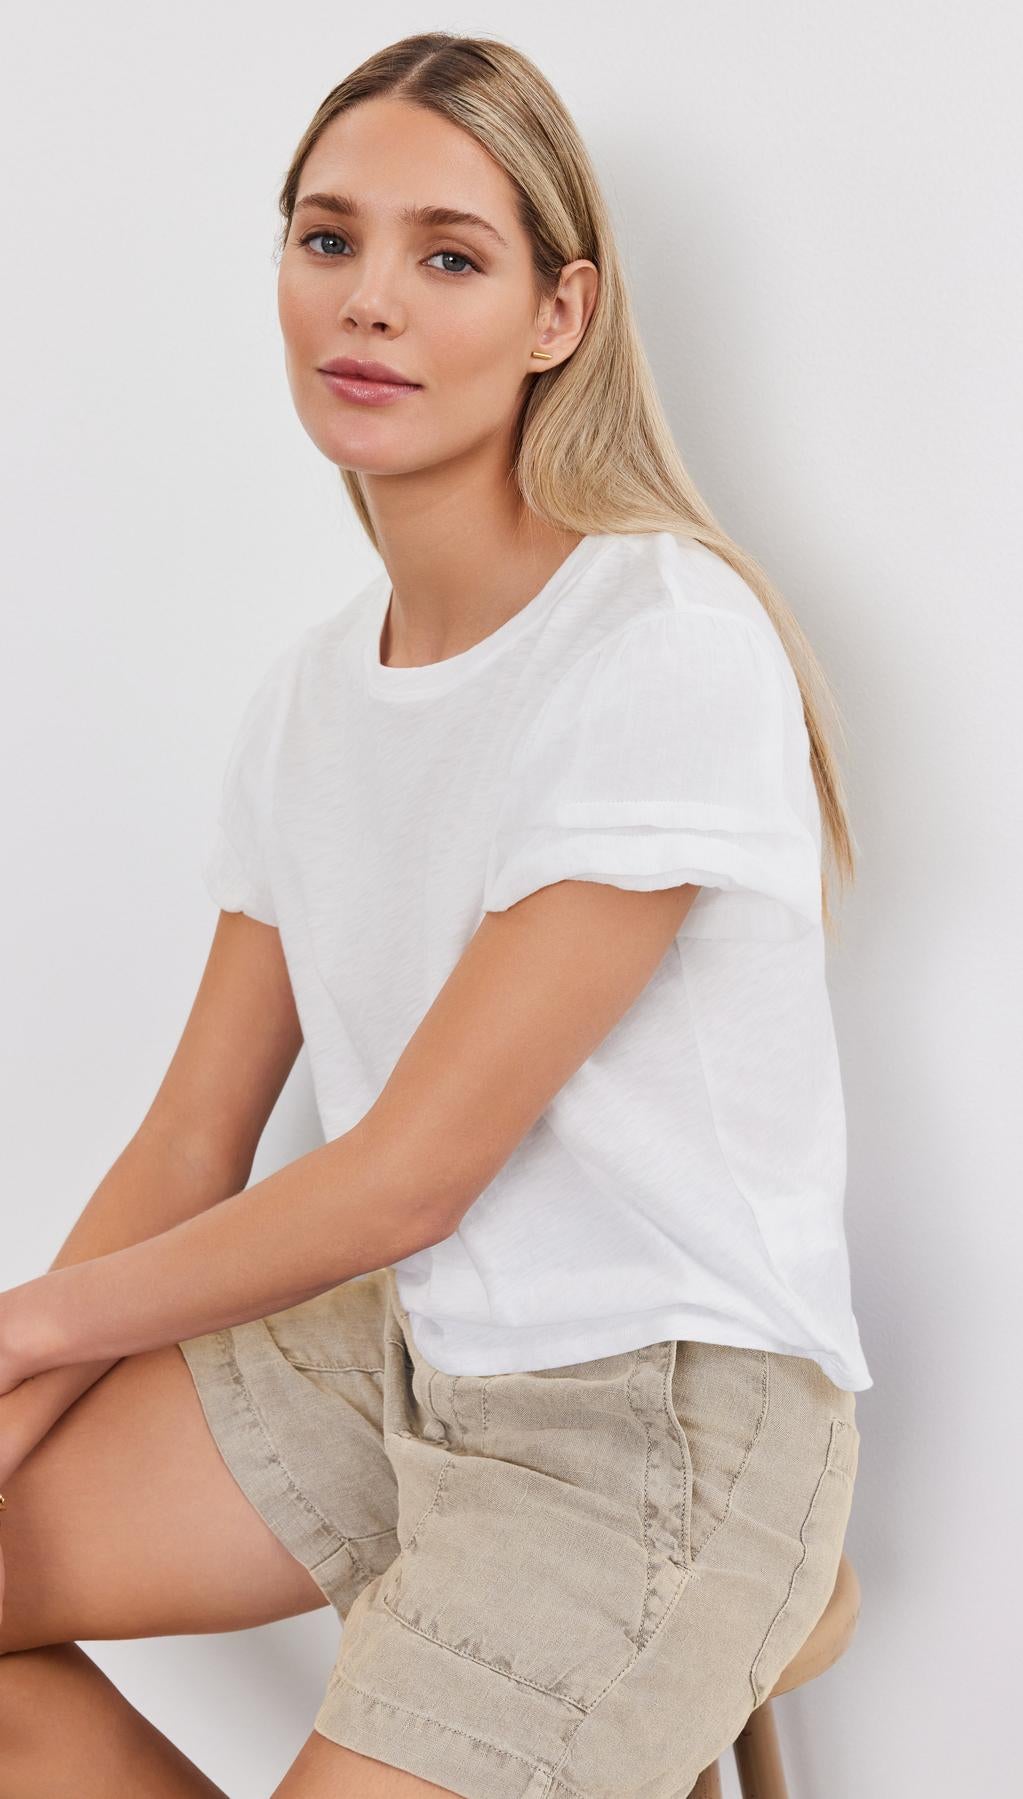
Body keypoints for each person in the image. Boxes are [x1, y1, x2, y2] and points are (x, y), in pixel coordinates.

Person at [0, 31, 871, 1799]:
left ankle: (720, 1594)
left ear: (562, 313)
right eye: (328, 242)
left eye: (446, 256)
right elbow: (190, 1141)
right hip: (408, 1344)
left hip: (652, 1419)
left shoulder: (662, 645)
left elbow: (410, 1169)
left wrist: (22, 1332)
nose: (369, 304)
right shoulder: (311, 699)